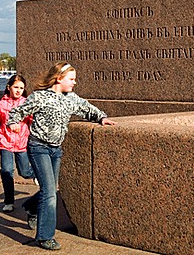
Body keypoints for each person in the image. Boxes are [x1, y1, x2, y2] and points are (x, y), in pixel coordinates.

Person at [7, 62, 116, 251]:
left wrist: (101, 117)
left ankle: (31, 207)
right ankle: (44, 237)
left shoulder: (71, 98)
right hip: (38, 147)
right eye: (71, 79)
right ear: (59, 78)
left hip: (56, 149)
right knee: (49, 192)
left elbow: (87, 108)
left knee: (51, 190)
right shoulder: (40, 97)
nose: (75, 82)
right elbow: (17, 112)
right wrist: (14, 122)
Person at [0, 74, 35, 212]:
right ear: (9, 87)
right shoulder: (1, 105)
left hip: (22, 144)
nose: (18, 90)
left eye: (21, 88)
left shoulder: (27, 103)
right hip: (6, 143)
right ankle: (9, 202)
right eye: (16, 87)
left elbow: (34, 122)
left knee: (24, 171)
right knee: (6, 171)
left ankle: (35, 174)